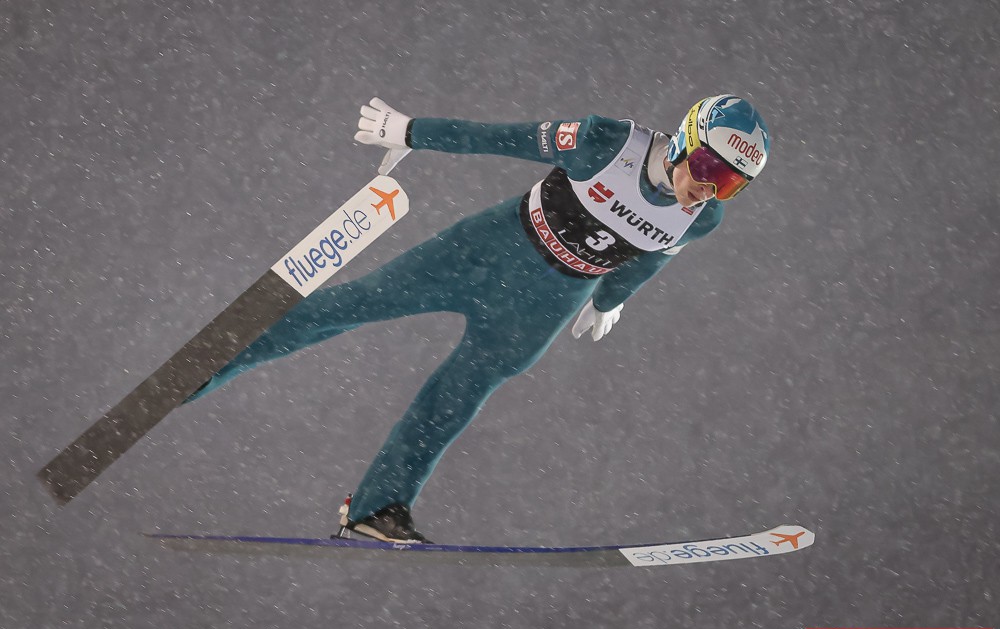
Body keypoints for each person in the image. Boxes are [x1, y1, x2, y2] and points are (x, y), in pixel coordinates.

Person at [186, 94, 771, 543]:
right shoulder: (607, 142)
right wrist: (412, 131)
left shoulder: (702, 218)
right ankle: (215, 359)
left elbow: (648, 259)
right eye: (706, 167)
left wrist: (608, 299)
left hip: (546, 304)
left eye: (731, 184)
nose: (708, 188)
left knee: (457, 398)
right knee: (360, 302)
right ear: (684, 140)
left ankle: (376, 507)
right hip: (488, 251)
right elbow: (503, 138)